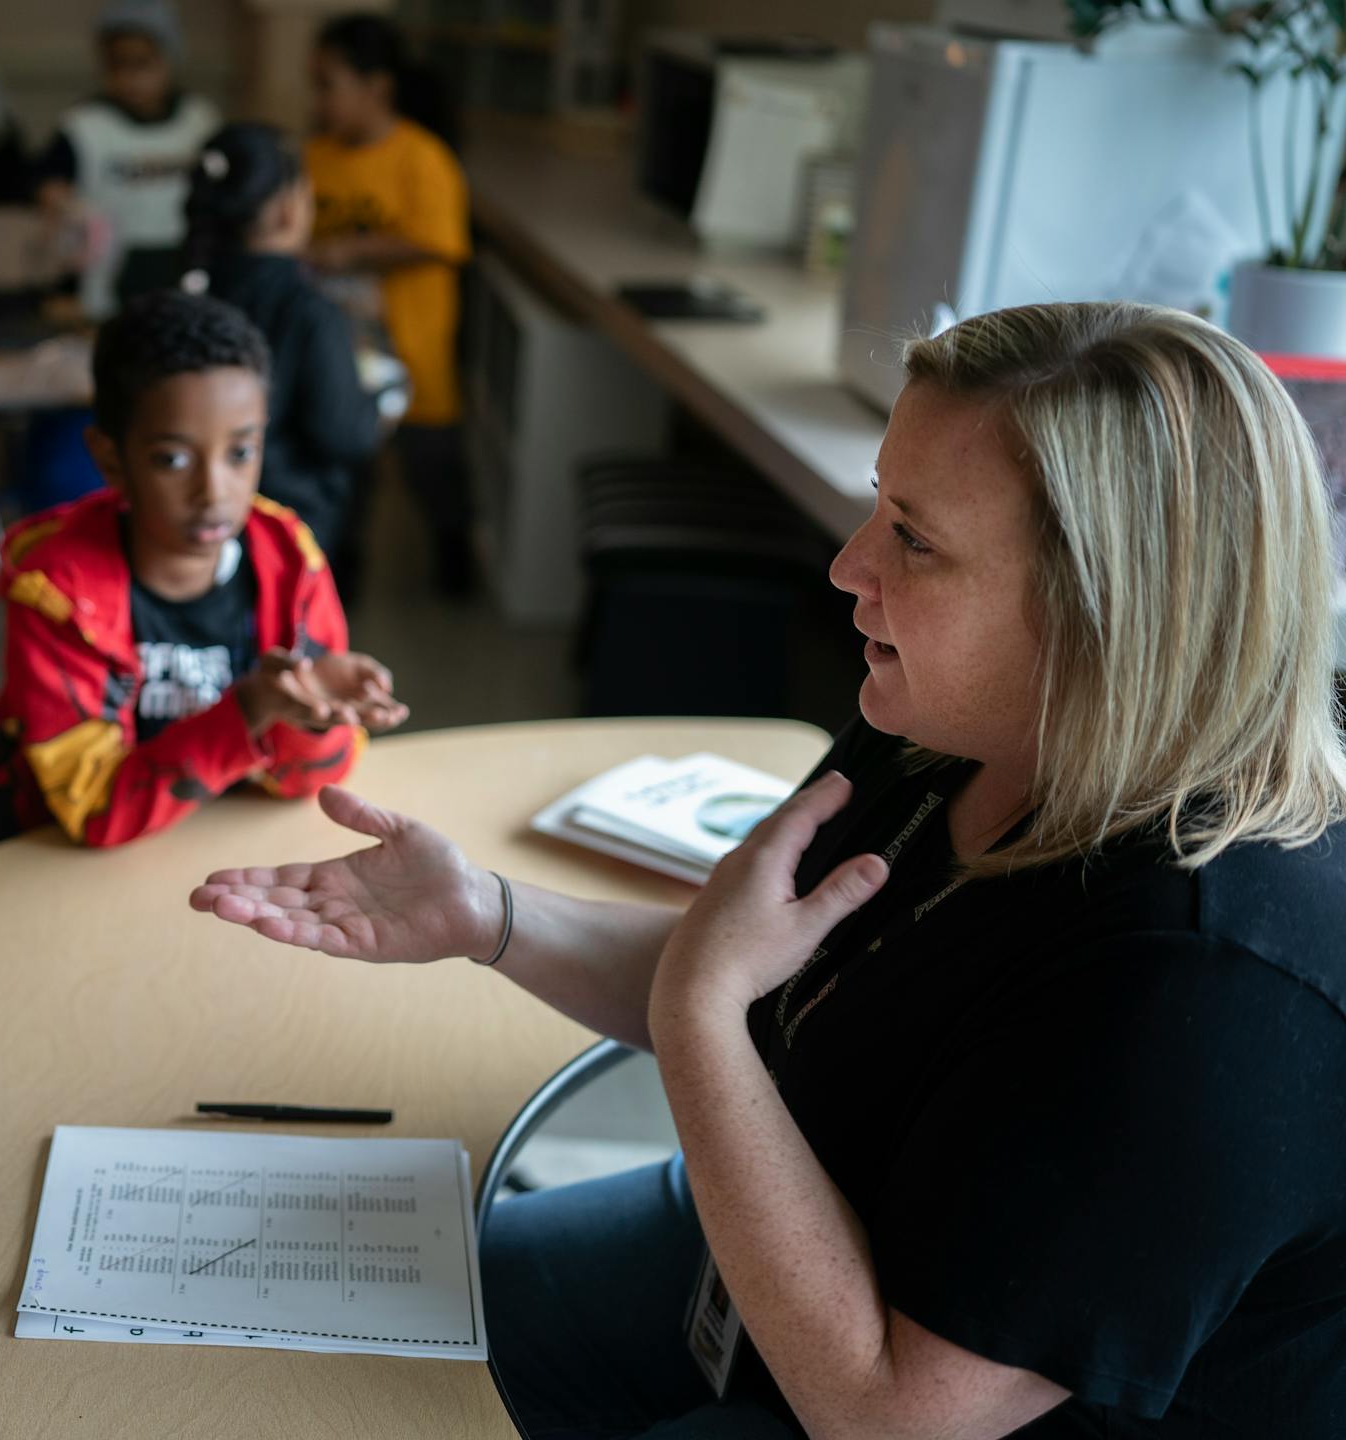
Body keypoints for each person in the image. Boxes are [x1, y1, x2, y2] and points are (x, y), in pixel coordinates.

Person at [191, 303, 1346, 1437]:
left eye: (914, 539)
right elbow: (759, 965)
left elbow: (894, 1415)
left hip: (883, 1391)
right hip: (782, 1257)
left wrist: (697, 1021)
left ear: (1105, 616)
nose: (848, 568)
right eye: (876, 510)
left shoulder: (1214, 985)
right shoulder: (950, 723)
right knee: (308, 1331)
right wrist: (488, 915)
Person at [0, 290, 408, 854]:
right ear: (110, 461)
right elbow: (94, 809)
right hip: (56, 860)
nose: (214, 492)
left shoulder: (289, 562)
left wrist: (310, 715)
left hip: (210, 852)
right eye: (172, 459)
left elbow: (310, 782)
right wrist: (249, 709)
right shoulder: (58, 592)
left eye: (240, 453)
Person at [305, 13, 473, 594]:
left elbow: (440, 240)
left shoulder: (422, 158)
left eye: (329, 83)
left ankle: (456, 557)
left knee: (432, 462)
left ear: (376, 85)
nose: (319, 100)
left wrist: (350, 253)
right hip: (343, 348)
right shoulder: (316, 158)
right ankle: (343, 569)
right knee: (348, 463)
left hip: (414, 343)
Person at [180, 120, 379, 558]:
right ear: (290, 209)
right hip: (289, 530)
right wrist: (380, 404)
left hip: (193, 526)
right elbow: (342, 433)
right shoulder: (312, 312)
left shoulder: (181, 295)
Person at [35, 0, 221, 317]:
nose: (130, 77)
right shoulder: (84, 126)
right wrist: (68, 211)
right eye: (117, 65)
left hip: (184, 260)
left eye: (143, 64)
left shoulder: (199, 121)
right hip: (109, 272)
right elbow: (48, 183)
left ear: (169, 59)